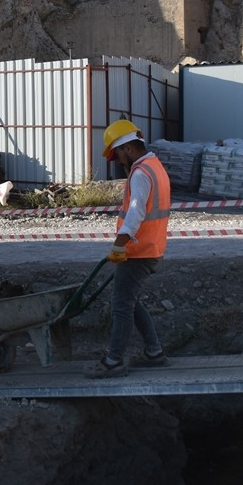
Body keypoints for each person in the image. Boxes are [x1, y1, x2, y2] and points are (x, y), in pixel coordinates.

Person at [86, 120, 172, 379]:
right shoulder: (155, 166)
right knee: (131, 302)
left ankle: (113, 360)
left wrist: (119, 243)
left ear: (127, 148)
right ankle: (154, 352)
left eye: (117, 154)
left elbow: (135, 211)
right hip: (151, 247)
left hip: (138, 251)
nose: (118, 160)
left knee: (121, 306)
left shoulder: (141, 173)